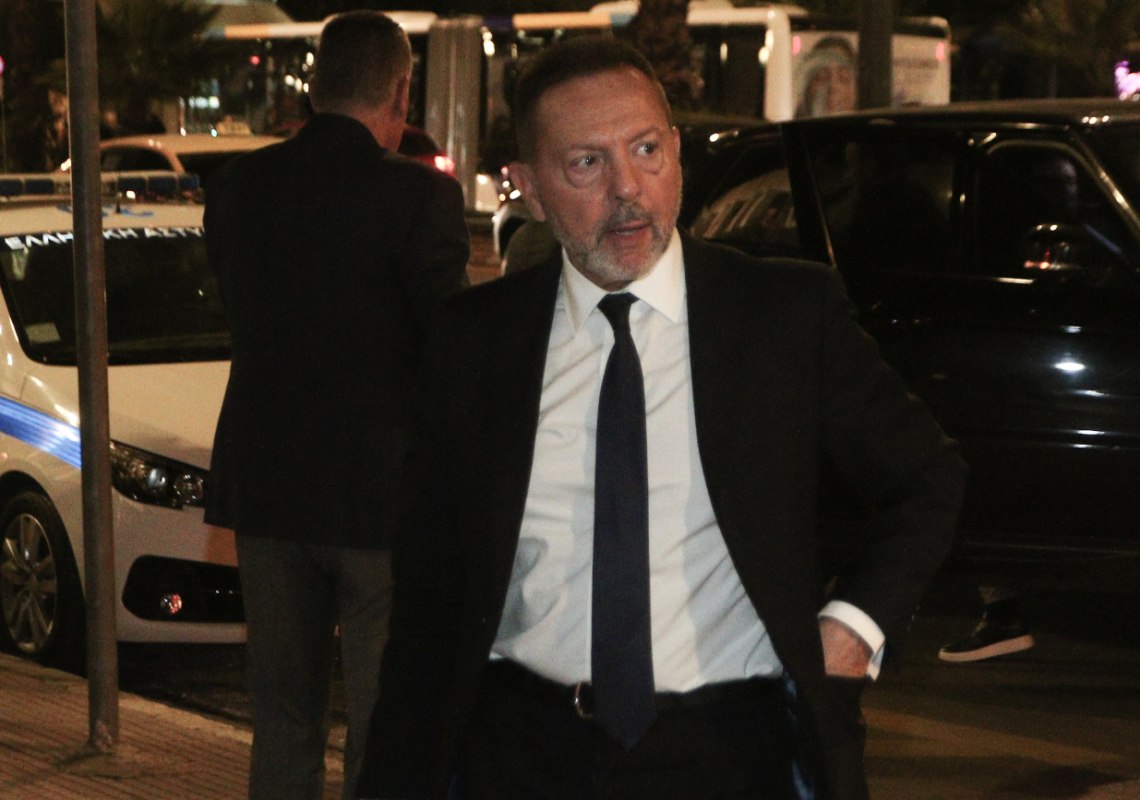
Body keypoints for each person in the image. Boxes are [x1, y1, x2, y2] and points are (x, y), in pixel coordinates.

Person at [357, 37, 965, 800]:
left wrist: (854, 627)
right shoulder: (475, 342)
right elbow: (428, 599)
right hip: (519, 753)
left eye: (646, 150)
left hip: (728, 754)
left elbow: (927, 477)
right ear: (529, 189)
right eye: (587, 163)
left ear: (676, 152)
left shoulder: (781, 315)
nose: (628, 189)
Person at [202, 11, 470, 800]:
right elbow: (451, 346)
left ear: (315, 87)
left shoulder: (240, 187)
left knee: (283, 716)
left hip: (267, 489)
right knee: (385, 722)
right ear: (400, 92)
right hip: (379, 499)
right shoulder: (419, 196)